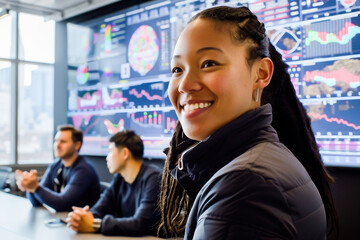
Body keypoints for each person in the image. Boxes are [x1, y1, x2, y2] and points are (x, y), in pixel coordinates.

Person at [158, 6, 338, 240]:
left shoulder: (244, 186)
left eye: (209, 63)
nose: (184, 85)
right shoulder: (258, 165)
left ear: (261, 73)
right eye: (177, 69)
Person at [66, 130, 161, 236]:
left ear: (125, 153)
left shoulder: (153, 178)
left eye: (110, 151)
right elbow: (99, 209)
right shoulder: (119, 178)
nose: (107, 158)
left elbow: (140, 224)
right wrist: (83, 217)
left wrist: (96, 224)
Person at [15, 125, 101, 212]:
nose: (57, 145)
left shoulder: (83, 170)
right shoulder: (56, 165)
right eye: (56, 141)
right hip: (63, 219)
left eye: (63, 142)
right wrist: (30, 187)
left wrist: (35, 187)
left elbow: (62, 204)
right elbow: (37, 202)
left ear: (77, 145)